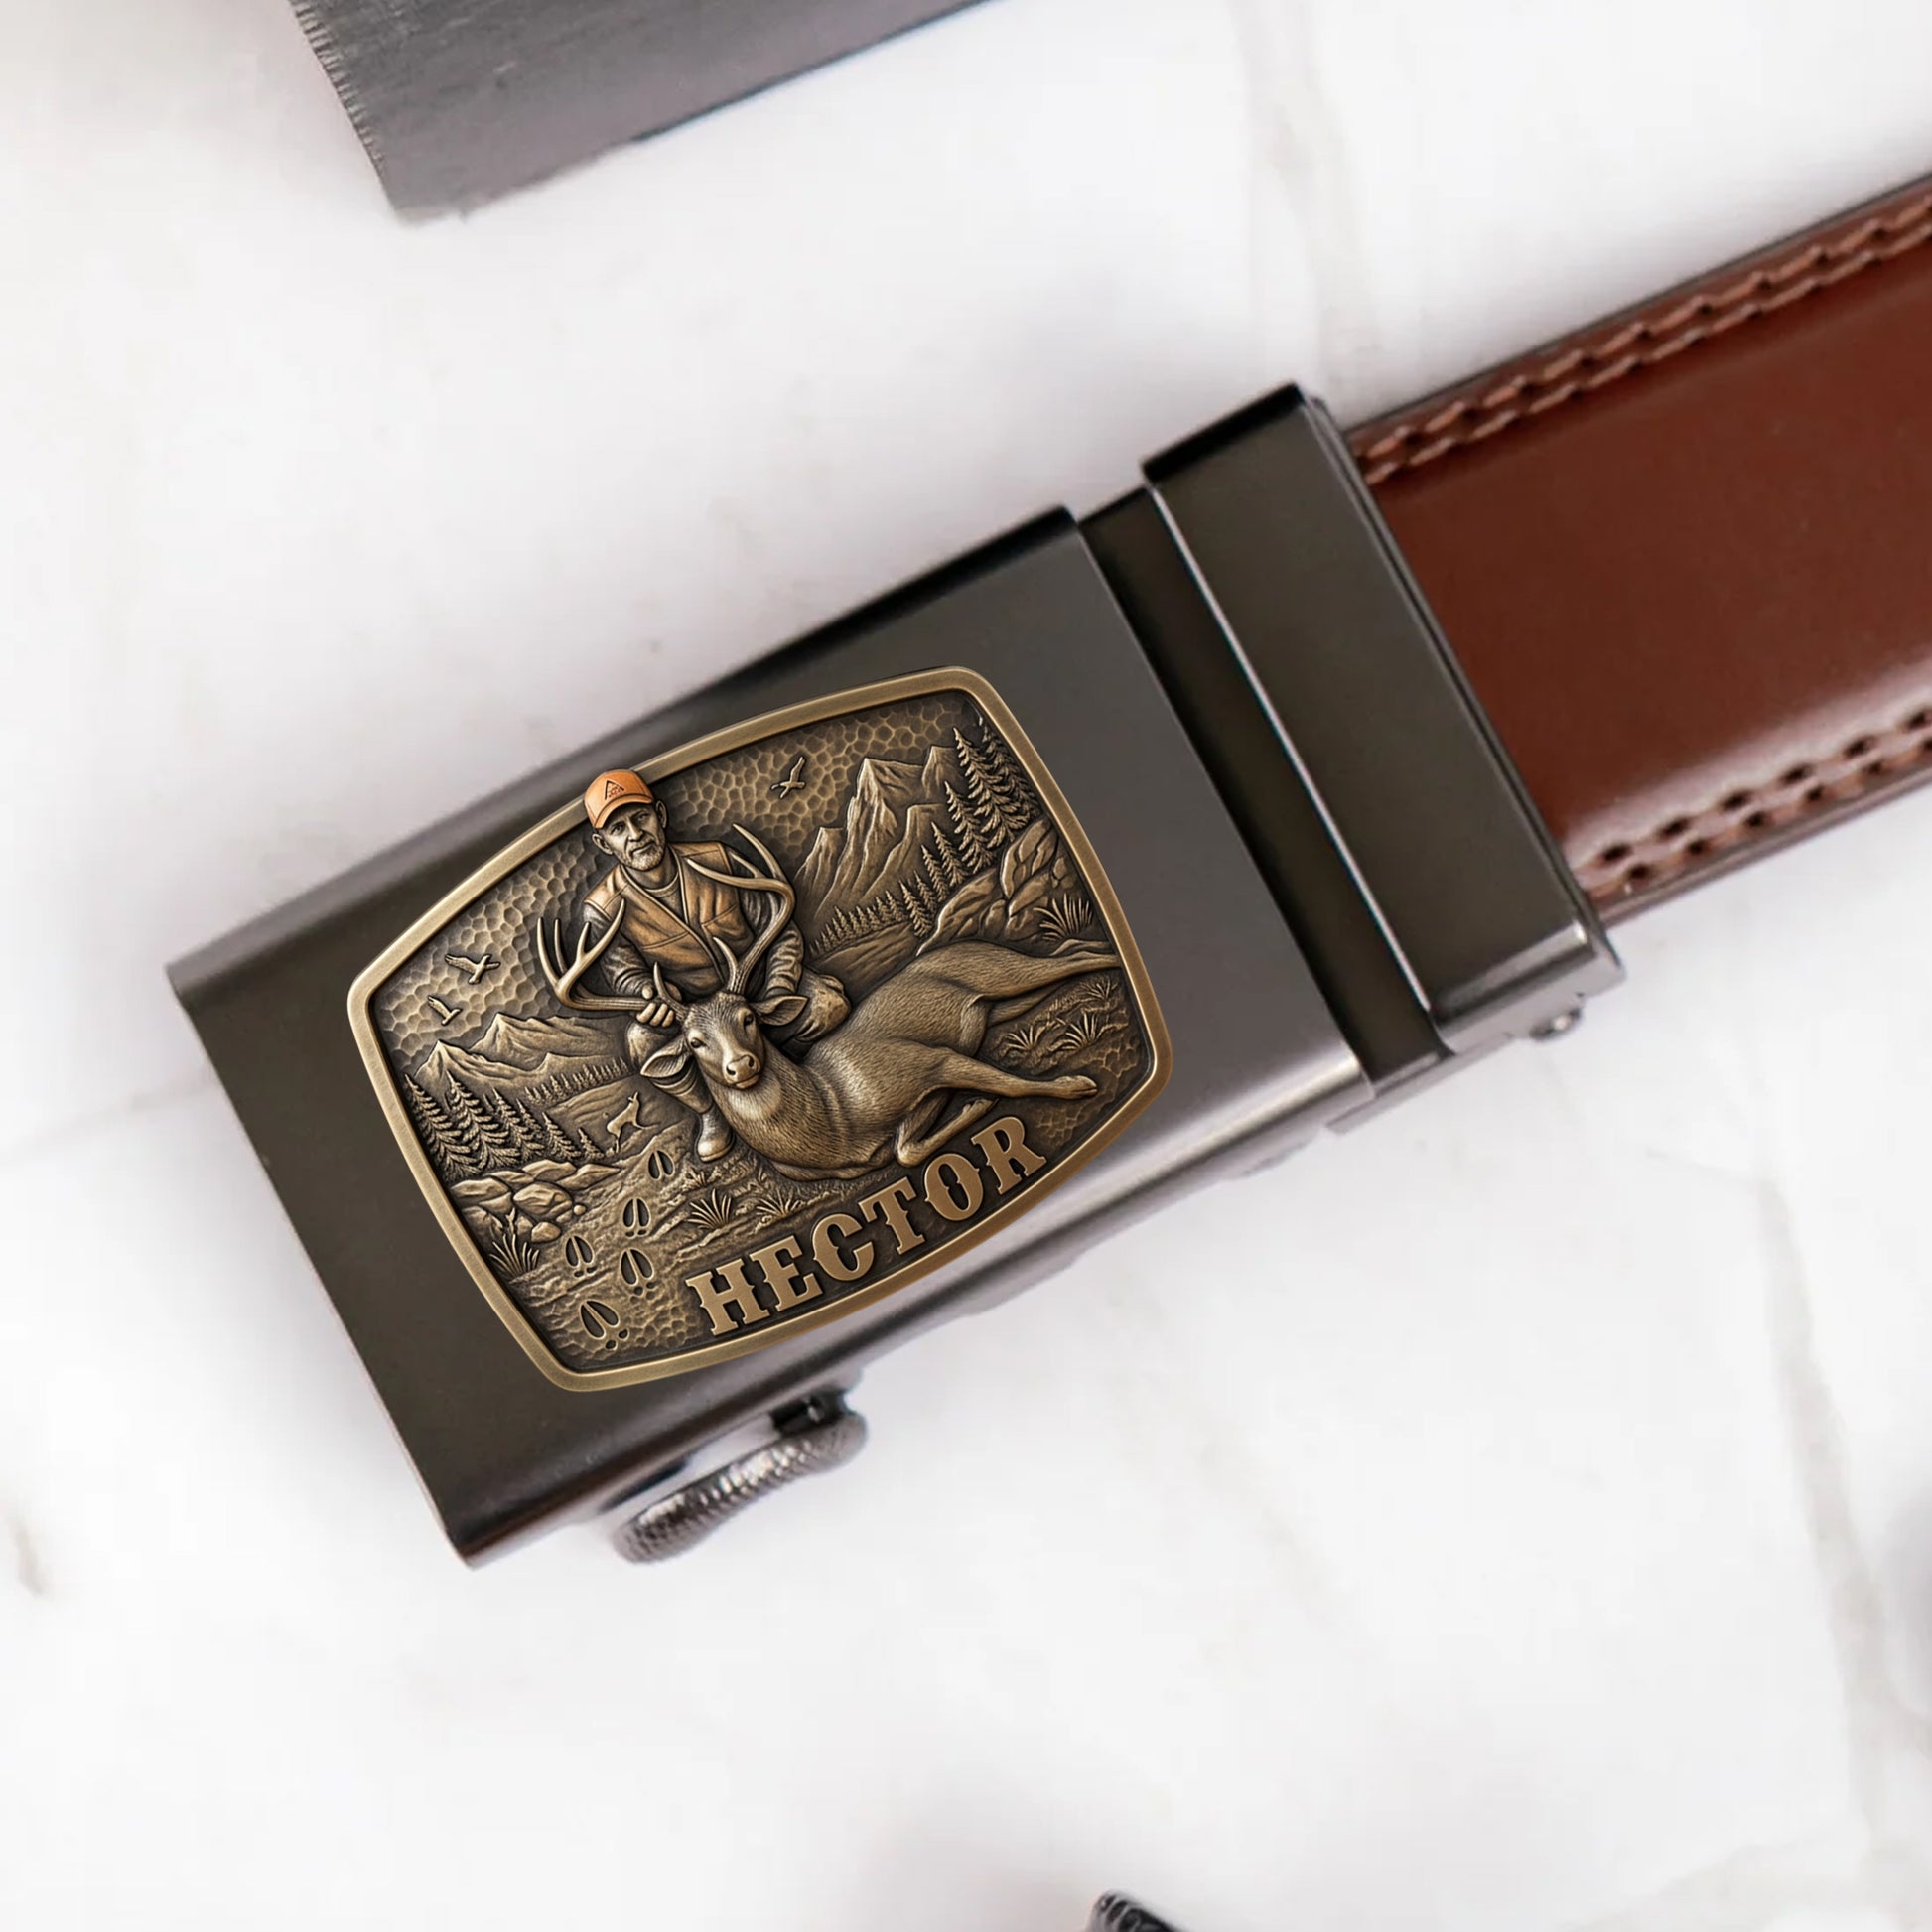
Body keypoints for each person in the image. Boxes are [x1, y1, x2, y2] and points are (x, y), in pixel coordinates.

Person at [576, 769, 847, 1160]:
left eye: (641, 818)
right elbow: (624, 974)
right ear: (603, 843)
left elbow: (780, 930)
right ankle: (712, 1112)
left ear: (660, 816)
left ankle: (799, 1074)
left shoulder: (718, 860)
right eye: (618, 829)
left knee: (827, 1005)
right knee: (641, 1041)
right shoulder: (603, 909)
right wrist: (647, 995)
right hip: (691, 1018)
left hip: (754, 991)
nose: (636, 834)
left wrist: (778, 989)